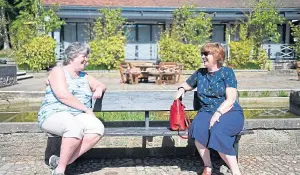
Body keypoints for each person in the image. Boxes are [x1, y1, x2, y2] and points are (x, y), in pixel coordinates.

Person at [175, 42, 244, 175]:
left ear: (217, 56)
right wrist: (182, 89)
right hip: (206, 110)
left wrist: (217, 114)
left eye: (206, 54)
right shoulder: (200, 73)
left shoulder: (227, 72)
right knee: (196, 128)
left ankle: (236, 172)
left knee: (218, 132)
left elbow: (231, 99)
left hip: (229, 111)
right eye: (202, 54)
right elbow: (187, 84)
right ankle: (208, 166)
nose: (203, 57)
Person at [38, 42, 106, 175]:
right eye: (84, 56)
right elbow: (63, 95)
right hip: (54, 113)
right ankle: (60, 170)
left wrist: (98, 88)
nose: (86, 59)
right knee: (74, 127)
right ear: (72, 56)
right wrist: (87, 110)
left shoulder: (84, 76)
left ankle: (62, 161)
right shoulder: (58, 71)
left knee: (97, 129)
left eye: (87, 56)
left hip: (77, 115)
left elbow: (101, 84)